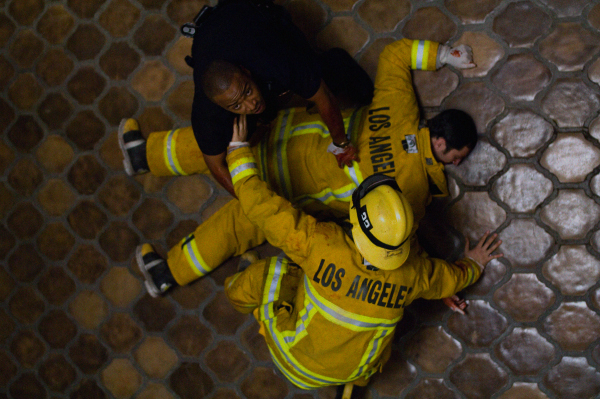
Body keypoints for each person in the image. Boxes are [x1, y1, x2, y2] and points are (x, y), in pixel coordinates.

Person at [127, 38, 478, 298]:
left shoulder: (398, 110)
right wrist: (449, 285)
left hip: (278, 138)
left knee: (213, 145)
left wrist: (446, 55)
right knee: (232, 229)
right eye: (458, 156)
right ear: (442, 146)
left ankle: (144, 153)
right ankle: (167, 274)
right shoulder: (411, 200)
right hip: (288, 193)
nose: (457, 163)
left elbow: (395, 55)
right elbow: (406, 260)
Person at [210, 127, 502, 392]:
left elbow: (263, 208)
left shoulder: (322, 243)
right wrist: (474, 262)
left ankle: (236, 292)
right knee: (377, 339)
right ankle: (353, 386)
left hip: (292, 357)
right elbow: (450, 279)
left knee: (275, 270)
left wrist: (237, 151)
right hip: (352, 370)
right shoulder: (413, 274)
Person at [120, 0, 374, 197]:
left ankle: (371, 98)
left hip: (251, 18)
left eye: (248, 92)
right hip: (214, 36)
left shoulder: (275, 58)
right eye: (236, 105)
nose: (250, 104)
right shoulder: (208, 113)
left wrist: (341, 144)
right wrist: (255, 201)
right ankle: (143, 154)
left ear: (247, 73)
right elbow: (216, 165)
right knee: (234, 140)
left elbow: (323, 97)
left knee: (331, 68)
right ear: (221, 106)